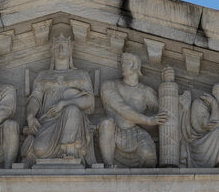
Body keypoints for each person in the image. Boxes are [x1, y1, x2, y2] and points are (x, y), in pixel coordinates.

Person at [20, 24, 96, 166]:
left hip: (74, 122)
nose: (61, 49)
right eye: (57, 46)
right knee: (40, 149)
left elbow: (90, 102)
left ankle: (70, 151)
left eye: (64, 46)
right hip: (48, 121)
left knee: (72, 110)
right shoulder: (43, 75)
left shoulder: (81, 74)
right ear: (52, 51)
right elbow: (35, 98)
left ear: (71, 50)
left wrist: (64, 103)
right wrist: (30, 116)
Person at [97, 52, 168, 168]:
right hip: (113, 132)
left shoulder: (146, 92)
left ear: (136, 66)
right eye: (121, 63)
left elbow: (164, 111)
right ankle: (108, 167)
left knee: (149, 154)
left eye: (126, 63)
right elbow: (121, 108)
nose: (122, 66)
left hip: (135, 133)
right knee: (106, 123)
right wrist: (149, 120)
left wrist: (181, 105)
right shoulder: (109, 85)